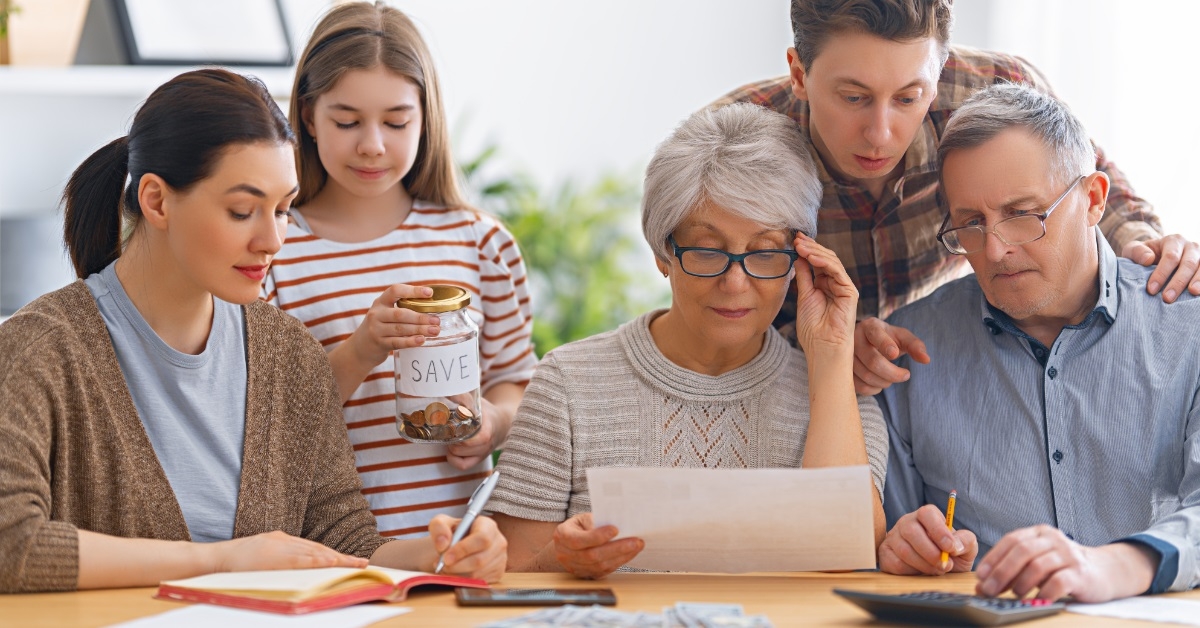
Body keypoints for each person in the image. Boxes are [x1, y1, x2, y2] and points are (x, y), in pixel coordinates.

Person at [0, 69, 506, 594]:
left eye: (284, 209)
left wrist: (440, 553)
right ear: (156, 201)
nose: (272, 240)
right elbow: (11, 544)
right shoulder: (41, 349)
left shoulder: (290, 354)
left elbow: (344, 543)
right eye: (242, 211)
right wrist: (221, 561)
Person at [713, 0, 1200, 394]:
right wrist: (819, 346)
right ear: (799, 74)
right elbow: (713, 307)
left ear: (940, 70)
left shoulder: (996, 90)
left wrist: (1148, 242)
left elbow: (1081, 178)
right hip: (795, 382)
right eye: (854, 97)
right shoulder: (732, 145)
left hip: (948, 361)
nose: (881, 135)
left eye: (908, 97)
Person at [487, 103, 889, 578]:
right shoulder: (567, 384)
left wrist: (831, 353)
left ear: (799, 259)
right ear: (664, 252)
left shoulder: (843, 397)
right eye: (707, 251)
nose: (736, 284)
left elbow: (845, 563)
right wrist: (559, 562)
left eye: (763, 253)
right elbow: (507, 581)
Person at [873, 83, 1200, 602]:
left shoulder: (1190, 328)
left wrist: (1116, 566)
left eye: (1023, 213)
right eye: (971, 224)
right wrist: (900, 546)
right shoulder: (908, 351)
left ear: (1093, 200)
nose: (997, 250)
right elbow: (892, 540)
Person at [263, 1, 536, 539]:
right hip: (332, 549)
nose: (372, 144)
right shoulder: (274, 249)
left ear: (426, 117)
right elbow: (270, 422)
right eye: (347, 121)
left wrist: (493, 422)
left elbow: (516, 382)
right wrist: (363, 347)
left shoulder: (480, 243)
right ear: (310, 118)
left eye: (396, 121)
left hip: (463, 544)